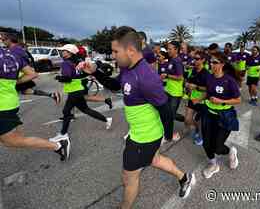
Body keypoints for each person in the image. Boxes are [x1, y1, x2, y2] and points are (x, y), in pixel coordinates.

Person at [77, 27, 195, 208]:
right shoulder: (127, 69)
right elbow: (115, 85)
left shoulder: (147, 78)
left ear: (130, 50)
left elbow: (166, 111)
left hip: (145, 137)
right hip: (140, 132)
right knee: (155, 160)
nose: (113, 55)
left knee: (129, 176)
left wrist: (169, 135)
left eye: (116, 51)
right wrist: (94, 71)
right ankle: (184, 177)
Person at [0, 47, 70, 161]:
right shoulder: (12, 54)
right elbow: (32, 73)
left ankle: (58, 145)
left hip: (3, 106)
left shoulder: (15, 51)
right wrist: (13, 83)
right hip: (9, 101)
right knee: (13, 139)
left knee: (13, 141)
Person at [50, 44, 112, 142]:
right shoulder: (76, 62)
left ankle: (63, 133)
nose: (62, 52)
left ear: (69, 53)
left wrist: (58, 77)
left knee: (66, 111)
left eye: (64, 51)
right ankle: (106, 120)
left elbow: (68, 78)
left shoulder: (66, 63)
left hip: (74, 91)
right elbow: (79, 74)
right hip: (77, 89)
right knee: (85, 109)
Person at [197, 52, 240, 179]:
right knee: (206, 143)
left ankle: (231, 152)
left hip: (224, 116)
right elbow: (208, 92)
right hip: (208, 114)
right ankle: (214, 165)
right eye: (210, 62)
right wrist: (199, 99)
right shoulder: (209, 77)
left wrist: (221, 101)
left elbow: (238, 100)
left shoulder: (229, 80)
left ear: (222, 64)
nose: (211, 64)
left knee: (217, 147)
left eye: (214, 62)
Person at [0, 32, 61, 104]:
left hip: (17, 76)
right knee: (26, 91)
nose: (3, 42)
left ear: (9, 40)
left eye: (3, 40)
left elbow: (19, 64)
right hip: (21, 75)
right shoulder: (19, 49)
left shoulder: (14, 51)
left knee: (11, 93)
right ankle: (52, 95)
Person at [184, 50, 210, 146]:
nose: (194, 60)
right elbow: (189, 81)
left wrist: (197, 87)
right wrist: (187, 85)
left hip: (202, 101)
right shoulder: (193, 70)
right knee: (187, 119)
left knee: (201, 121)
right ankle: (196, 128)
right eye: (194, 58)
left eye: (197, 59)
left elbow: (209, 89)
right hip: (192, 99)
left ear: (203, 60)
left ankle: (199, 134)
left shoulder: (206, 74)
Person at [160, 41, 184, 141]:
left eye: (170, 49)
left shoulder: (177, 61)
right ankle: (166, 132)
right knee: (168, 113)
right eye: (168, 49)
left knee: (170, 115)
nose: (168, 51)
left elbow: (180, 77)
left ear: (176, 50)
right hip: (168, 90)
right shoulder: (171, 60)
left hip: (175, 93)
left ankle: (168, 136)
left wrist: (167, 75)